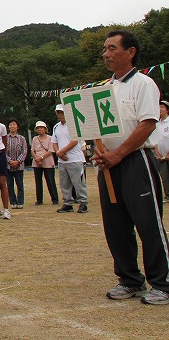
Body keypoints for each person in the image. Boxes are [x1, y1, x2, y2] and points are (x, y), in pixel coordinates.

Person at [92, 30, 169, 305]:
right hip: (108, 164)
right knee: (115, 225)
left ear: (130, 51)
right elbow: (95, 127)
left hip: (136, 161)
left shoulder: (144, 84)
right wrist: (102, 154)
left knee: (148, 223)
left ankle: (162, 283)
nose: (106, 53)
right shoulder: (102, 89)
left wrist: (120, 154)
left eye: (112, 48)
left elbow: (147, 123)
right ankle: (130, 279)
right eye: (104, 49)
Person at [52, 104, 89, 214]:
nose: (60, 114)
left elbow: (75, 141)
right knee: (64, 183)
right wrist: (58, 153)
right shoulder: (56, 127)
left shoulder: (74, 125)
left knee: (78, 182)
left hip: (75, 158)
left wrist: (62, 151)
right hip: (62, 160)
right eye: (58, 112)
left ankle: (83, 203)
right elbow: (54, 141)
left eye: (61, 112)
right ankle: (67, 203)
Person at [31, 121, 59, 205]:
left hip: (48, 162)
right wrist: (36, 158)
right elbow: (32, 150)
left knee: (50, 181)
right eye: (38, 128)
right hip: (37, 162)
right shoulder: (35, 139)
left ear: (45, 129)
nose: (39, 129)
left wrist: (41, 158)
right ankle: (39, 199)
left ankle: (54, 199)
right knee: (38, 182)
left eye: (41, 128)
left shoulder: (50, 138)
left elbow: (51, 150)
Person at [148, 100, 169, 202]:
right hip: (161, 156)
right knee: (164, 177)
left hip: (168, 154)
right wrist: (157, 153)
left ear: (167, 110)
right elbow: (155, 139)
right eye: (158, 107)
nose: (160, 109)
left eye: (162, 107)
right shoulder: (156, 123)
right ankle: (168, 195)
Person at [6, 119, 28, 209]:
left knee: (20, 185)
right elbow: (2, 151)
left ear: (17, 127)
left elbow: (24, 151)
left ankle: (20, 202)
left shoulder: (22, 138)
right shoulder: (5, 138)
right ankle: (13, 202)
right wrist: (10, 161)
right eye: (10, 125)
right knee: (10, 185)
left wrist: (18, 161)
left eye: (14, 124)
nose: (12, 126)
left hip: (19, 166)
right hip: (8, 166)